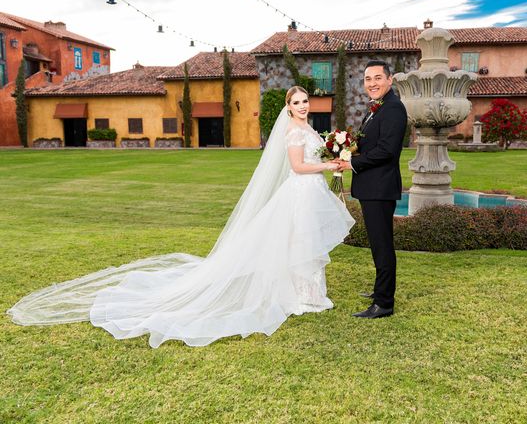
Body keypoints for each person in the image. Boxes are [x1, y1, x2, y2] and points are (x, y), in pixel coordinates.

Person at [7, 86, 354, 348]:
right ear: (288, 108)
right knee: (298, 240)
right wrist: (328, 164)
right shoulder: (293, 132)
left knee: (304, 241)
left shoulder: (310, 130)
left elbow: (312, 158)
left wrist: (333, 157)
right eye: (297, 103)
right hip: (298, 192)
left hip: (310, 192)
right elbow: (296, 166)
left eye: (306, 101)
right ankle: (302, 296)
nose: (303, 106)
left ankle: (309, 293)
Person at [336, 60, 407, 319]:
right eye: (368, 79)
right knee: (377, 245)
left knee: (382, 245)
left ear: (389, 80)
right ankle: (380, 291)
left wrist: (351, 162)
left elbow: (387, 151)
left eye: (378, 78)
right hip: (371, 187)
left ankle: (384, 303)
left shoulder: (394, 109)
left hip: (380, 188)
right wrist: (347, 147)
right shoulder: (377, 109)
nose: (372, 83)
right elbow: (371, 145)